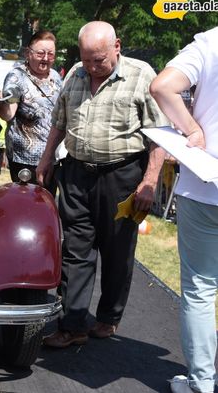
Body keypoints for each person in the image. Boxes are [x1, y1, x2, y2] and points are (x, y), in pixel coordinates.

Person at [37, 21, 168, 348]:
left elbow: (159, 135)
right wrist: (46, 157)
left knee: (117, 251)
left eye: (100, 60)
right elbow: (59, 121)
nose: (93, 67)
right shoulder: (75, 74)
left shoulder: (141, 76)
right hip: (78, 174)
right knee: (75, 249)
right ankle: (73, 324)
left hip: (123, 177)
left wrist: (150, 180)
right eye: (87, 59)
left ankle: (108, 317)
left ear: (117, 47)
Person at [149, 27, 218, 393]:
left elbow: (162, 87)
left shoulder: (210, 43)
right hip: (204, 186)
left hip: (206, 185)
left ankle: (201, 383)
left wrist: (192, 129)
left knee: (201, 289)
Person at [0, 30, 62, 193]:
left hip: (52, 158)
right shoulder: (16, 77)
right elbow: (8, 114)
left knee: (48, 201)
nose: (46, 58)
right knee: (27, 202)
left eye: (51, 54)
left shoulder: (56, 76)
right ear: (28, 53)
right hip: (25, 160)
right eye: (41, 53)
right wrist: (4, 101)